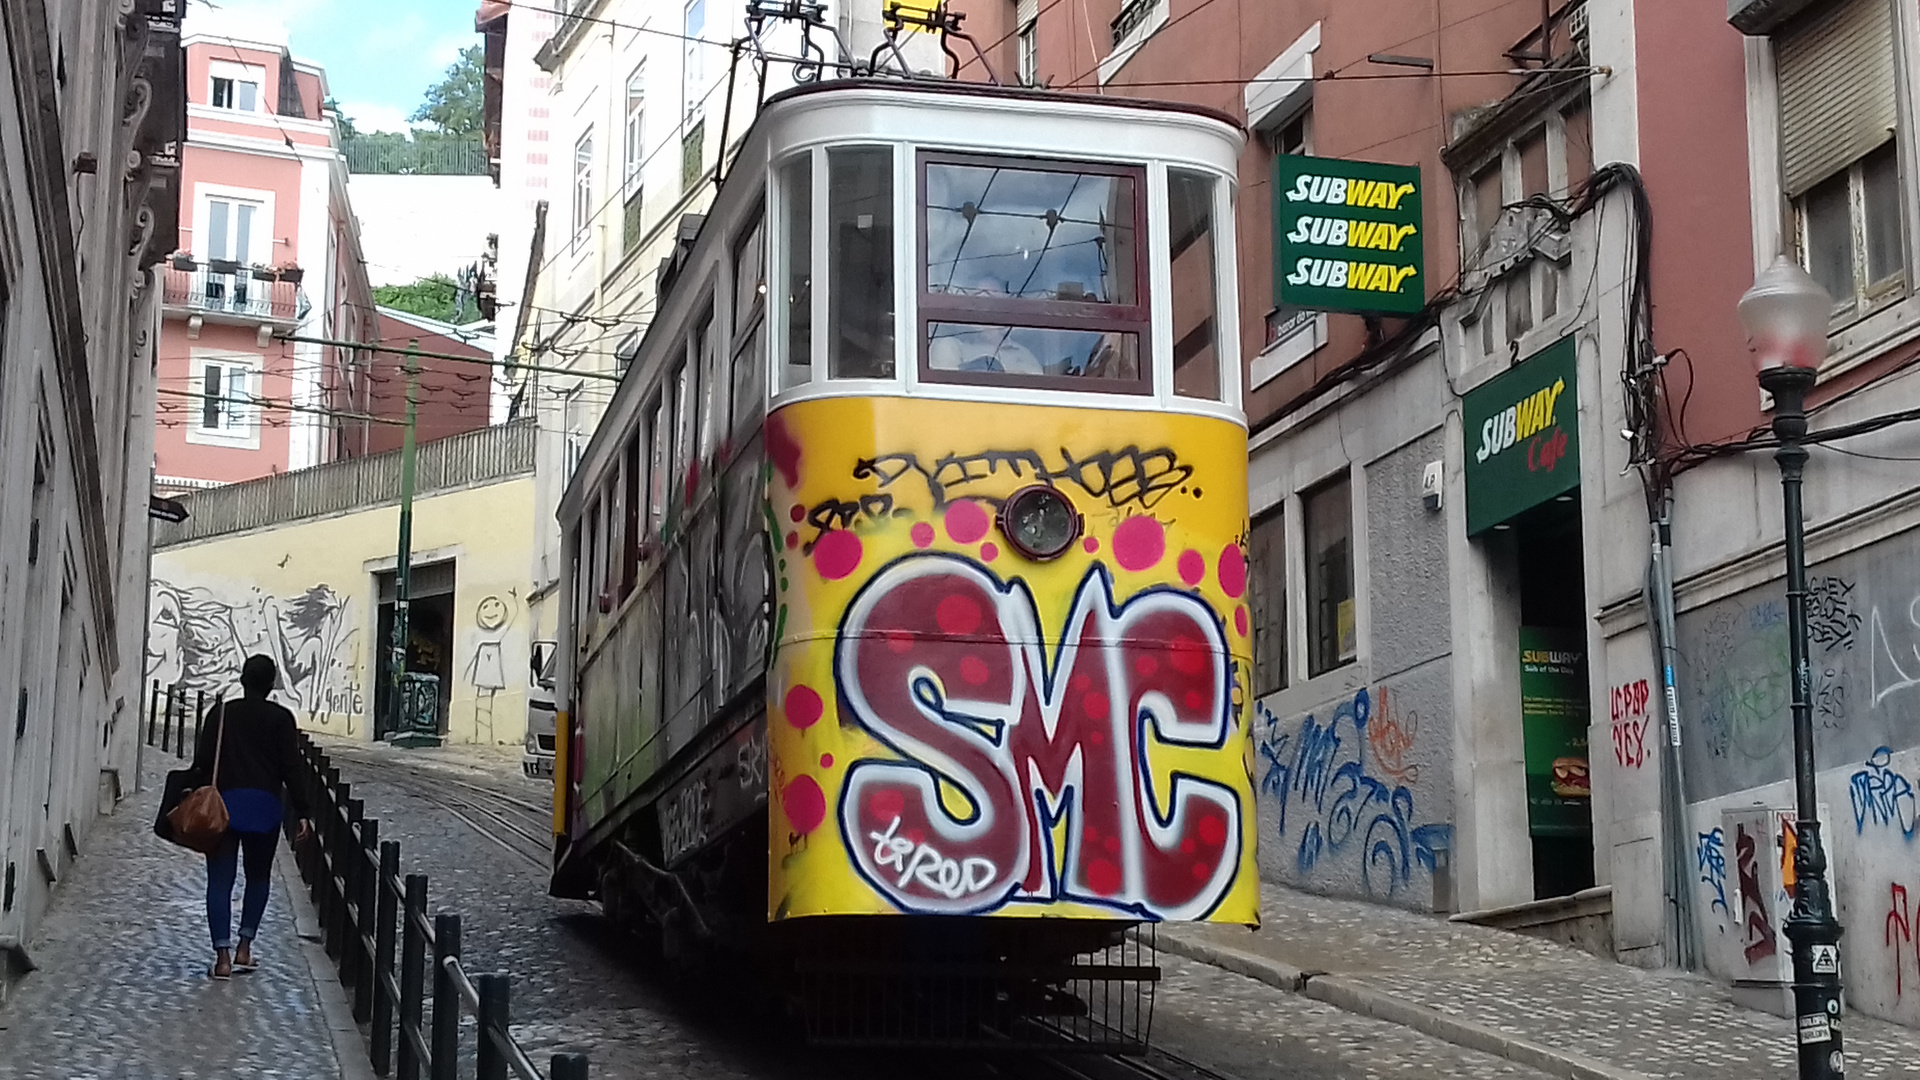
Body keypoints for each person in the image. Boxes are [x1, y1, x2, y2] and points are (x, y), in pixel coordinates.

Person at [189, 653, 313, 980]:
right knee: (258, 877)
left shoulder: (221, 713)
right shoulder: (281, 718)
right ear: (271, 685)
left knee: (220, 881)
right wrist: (303, 811)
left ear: (243, 680)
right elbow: (291, 767)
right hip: (264, 809)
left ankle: (223, 959)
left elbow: (202, 760)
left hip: (224, 807)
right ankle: (245, 946)